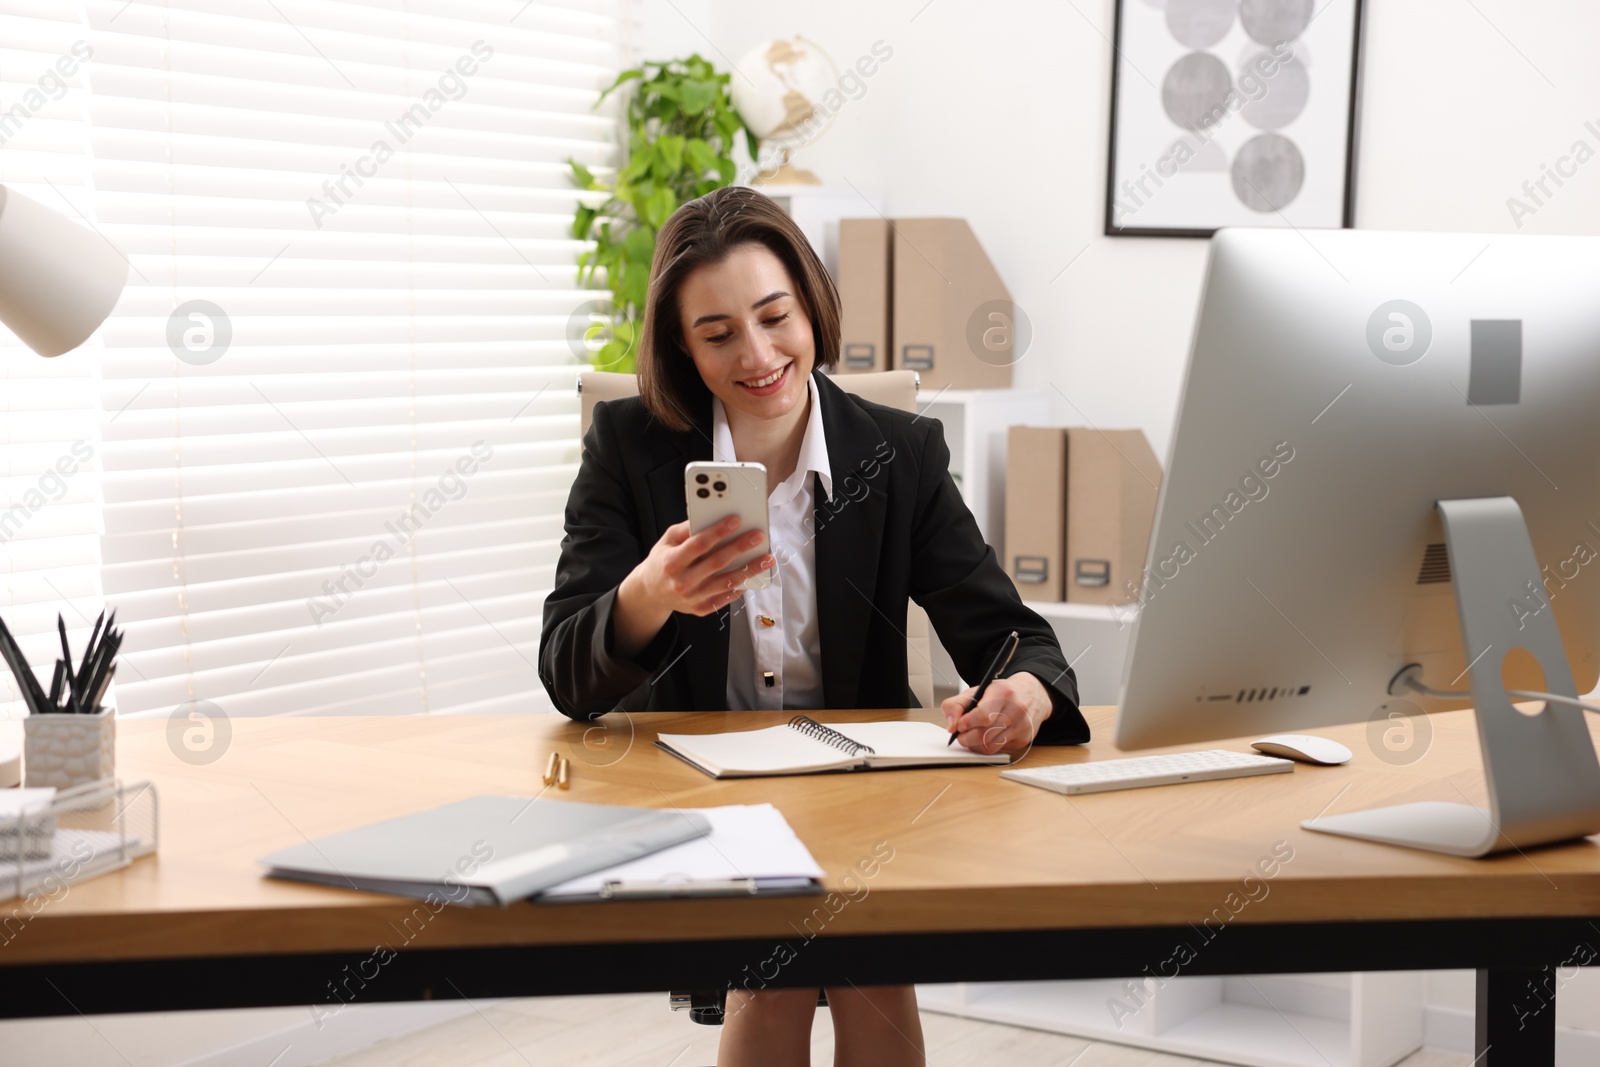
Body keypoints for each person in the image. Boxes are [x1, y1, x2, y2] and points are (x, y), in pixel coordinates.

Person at [539, 185, 1089, 1067]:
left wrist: (1024, 692)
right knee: (786, 948)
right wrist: (650, 590)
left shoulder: (898, 455)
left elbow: (1015, 640)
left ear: (811, 305)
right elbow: (565, 674)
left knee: (849, 951)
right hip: (702, 791)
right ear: (683, 345)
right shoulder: (630, 447)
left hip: (864, 792)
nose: (757, 356)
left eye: (774, 317)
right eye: (717, 334)